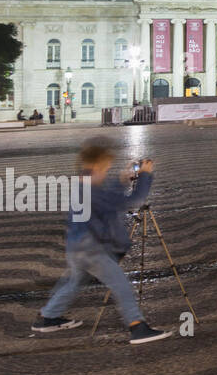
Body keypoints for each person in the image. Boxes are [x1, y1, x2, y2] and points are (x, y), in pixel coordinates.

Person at [32, 140, 174, 344]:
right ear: (97, 166)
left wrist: (122, 180)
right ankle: (137, 327)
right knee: (120, 284)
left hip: (75, 246)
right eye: (106, 168)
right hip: (92, 250)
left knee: (74, 281)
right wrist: (145, 176)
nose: (106, 172)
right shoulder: (93, 190)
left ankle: (48, 317)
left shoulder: (83, 183)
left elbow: (108, 198)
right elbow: (133, 201)